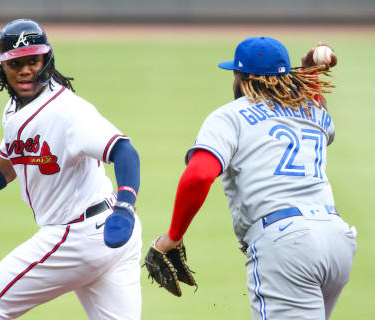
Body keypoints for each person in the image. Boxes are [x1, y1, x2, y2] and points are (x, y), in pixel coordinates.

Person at [0, 18, 142, 320]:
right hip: (104, 240)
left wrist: (126, 206)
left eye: (33, 61)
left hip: (79, 236)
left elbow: (125, 152)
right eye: (16, 63)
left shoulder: (69, 112)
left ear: (46, 60)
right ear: (2, 68)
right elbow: (2, 171)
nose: (25, 70)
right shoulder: (14, 111)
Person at [151, 37, 357, 319]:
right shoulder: (314, 111)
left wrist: (173, 236)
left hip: (287, 245)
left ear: (242, 78)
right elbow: (311, 105)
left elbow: (199, 176)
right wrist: (310, 74)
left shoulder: (230, 115)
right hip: (337, 240)